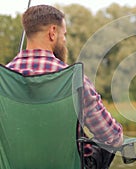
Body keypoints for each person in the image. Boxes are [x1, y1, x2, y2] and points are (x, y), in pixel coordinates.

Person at [6, 4, 123, 168]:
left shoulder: (4, 80)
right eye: (64, 34)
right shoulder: (76, 80)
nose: (64, 40)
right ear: (53, 32)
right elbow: (112, 137)